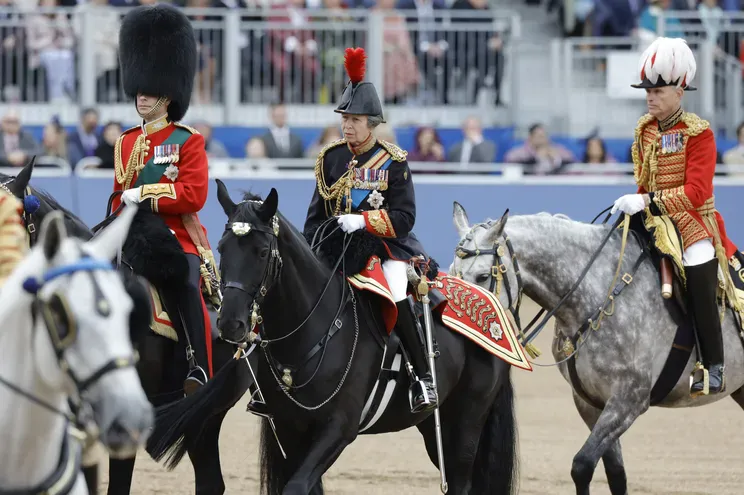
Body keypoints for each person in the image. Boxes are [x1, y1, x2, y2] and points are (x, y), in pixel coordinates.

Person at [303, 47, 437, 414]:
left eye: (355, 119)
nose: (347, 125)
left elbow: (405, 218)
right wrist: (316, 243)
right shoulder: (329, 158)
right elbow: (315, 215)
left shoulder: (393, 163)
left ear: (372, 122)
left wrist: (363, 221)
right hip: (335, 248)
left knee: (395, 288)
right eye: (345, 118)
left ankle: (422, 377)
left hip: (383, 247)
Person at [610, 36, 739, 396]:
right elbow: (644, 181)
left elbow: (697, 193)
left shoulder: (699, 133)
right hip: (652, 217)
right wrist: (634, 205)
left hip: (692, 223)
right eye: (647, 90)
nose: (650, 96)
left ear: (680, 92)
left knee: (699, 273)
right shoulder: (645, 129)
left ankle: (714, 364)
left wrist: (648, 201)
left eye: (659, 90)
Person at [111, 3, 219, 396]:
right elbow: (116, 195)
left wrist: (146, 195)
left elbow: (193, 195)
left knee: (186, 284)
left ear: (168, 96)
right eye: (139, 89)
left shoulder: (186, 140)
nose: (141, 96)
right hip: (130, 232)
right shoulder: (125, 142)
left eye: (150, 90)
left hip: (175, 234)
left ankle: (200, 367)